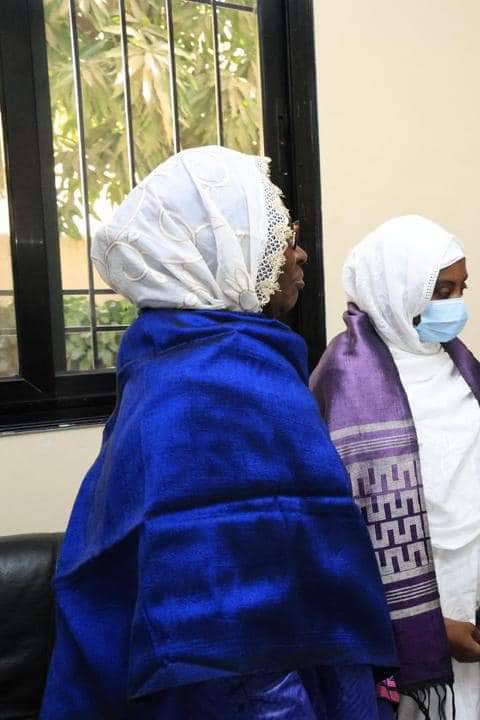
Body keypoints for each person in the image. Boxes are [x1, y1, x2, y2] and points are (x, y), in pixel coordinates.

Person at [39, 146, 397, 719]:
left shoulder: (176, 358)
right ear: (226, 254)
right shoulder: (222, 379)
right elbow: (238, 636)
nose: (300, 254)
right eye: (283, 236)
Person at [309, 215, 480, 720]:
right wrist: (430, 631)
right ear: (396, 290)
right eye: (441, 290)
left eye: (461, 288)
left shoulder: (463, 367)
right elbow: (334, 542)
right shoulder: (344, 384)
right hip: (402, 621)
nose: (455, 305)